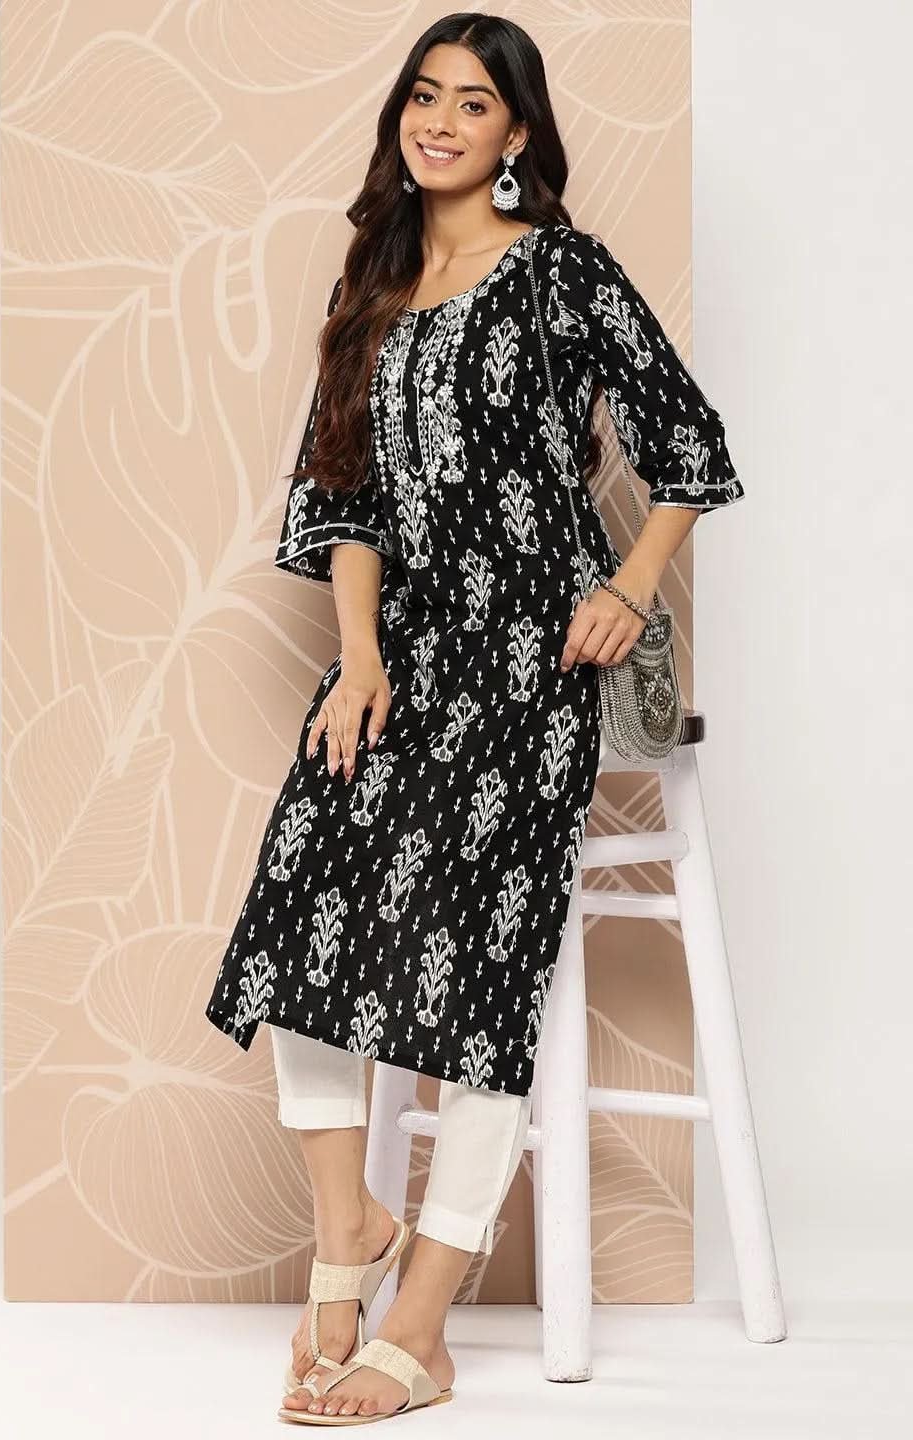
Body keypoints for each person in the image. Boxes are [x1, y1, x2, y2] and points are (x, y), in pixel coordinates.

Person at [204, 11, 744, 1426]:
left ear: (517, 134)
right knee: (302, 890)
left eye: (474, 104)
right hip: (405, 652)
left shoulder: (561, 269)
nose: (441, 122)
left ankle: (424, 1322)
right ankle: (348, 1233)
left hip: (533, 657)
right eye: (425, 95)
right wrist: (357, 657)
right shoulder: (375, 282)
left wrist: (627, 584)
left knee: (486, 952)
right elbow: (344, 493)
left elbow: (688, 443)